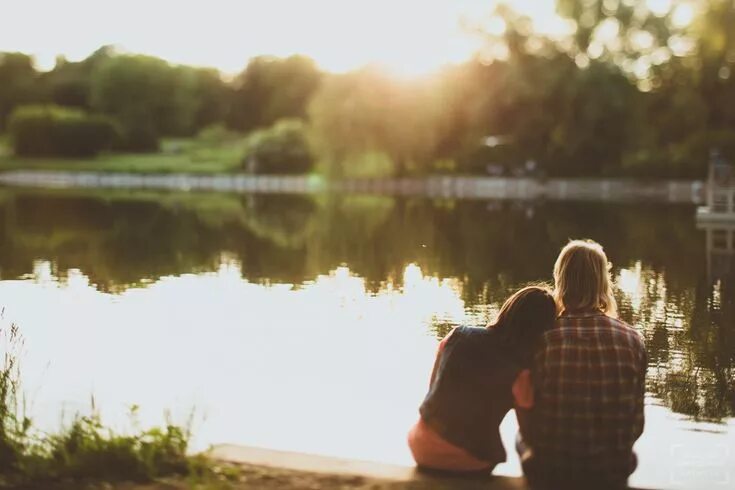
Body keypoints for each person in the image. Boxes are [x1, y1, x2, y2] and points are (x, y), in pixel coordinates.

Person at [516, 239, 647, 489]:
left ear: (560, 280)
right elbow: (636, 425)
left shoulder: (541, 339)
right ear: (603, 282)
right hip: (609, 474)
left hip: (550, 473)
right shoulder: (633, 340)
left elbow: (528, 417)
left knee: (520, 438)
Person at [408, 286, 557, 473]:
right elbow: (528, 430)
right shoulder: (521, 371)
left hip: (419, 444)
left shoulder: (458, 334)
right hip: (469, 461)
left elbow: (432, 388)